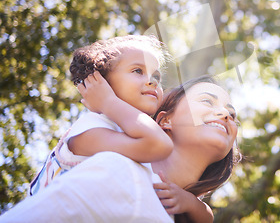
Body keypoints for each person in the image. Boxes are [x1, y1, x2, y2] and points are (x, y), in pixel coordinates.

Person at [0, 76, 240, 223]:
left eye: (232, 114)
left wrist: (190, 203)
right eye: (207, 101)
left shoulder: (184, 214)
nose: (227, 114)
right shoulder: (110, 155)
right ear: (165, 121)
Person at [29, 35, 173, 195]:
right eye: (138, 70)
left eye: (157, 76)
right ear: (102, 82)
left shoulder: (130, 133)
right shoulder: (90, 129)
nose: (152, 81)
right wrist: (108, 102)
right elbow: (160, 145)